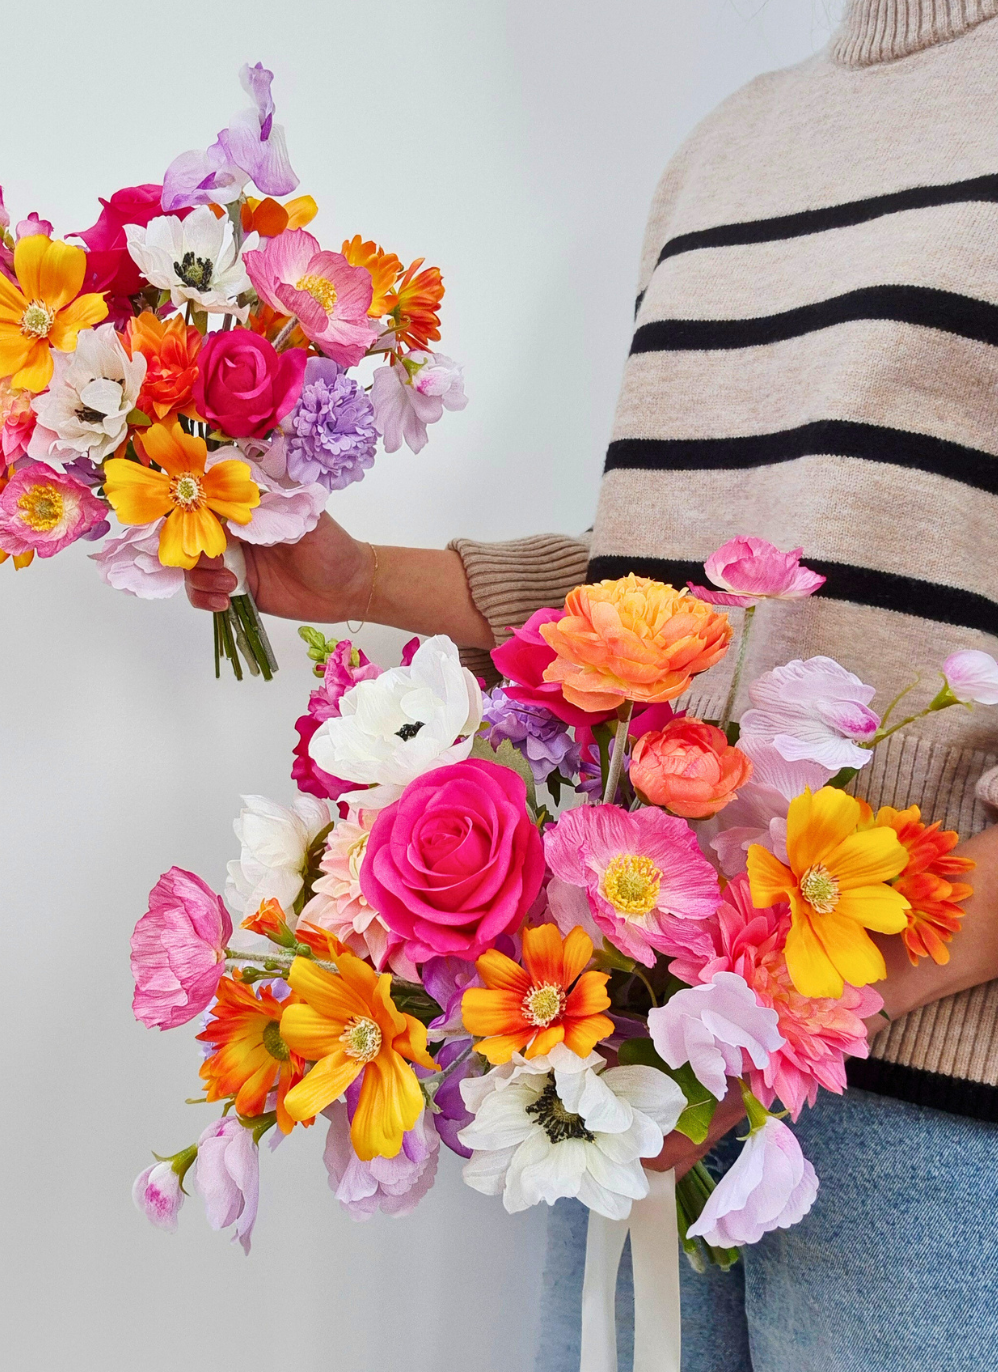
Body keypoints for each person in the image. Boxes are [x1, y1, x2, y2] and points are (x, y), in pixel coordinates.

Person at [187, 2, 998, 1366]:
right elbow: (686, 589)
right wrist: (360, 582)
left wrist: (796, 1001)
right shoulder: (728, 145)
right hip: (651, 1068)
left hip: (933, 1111)